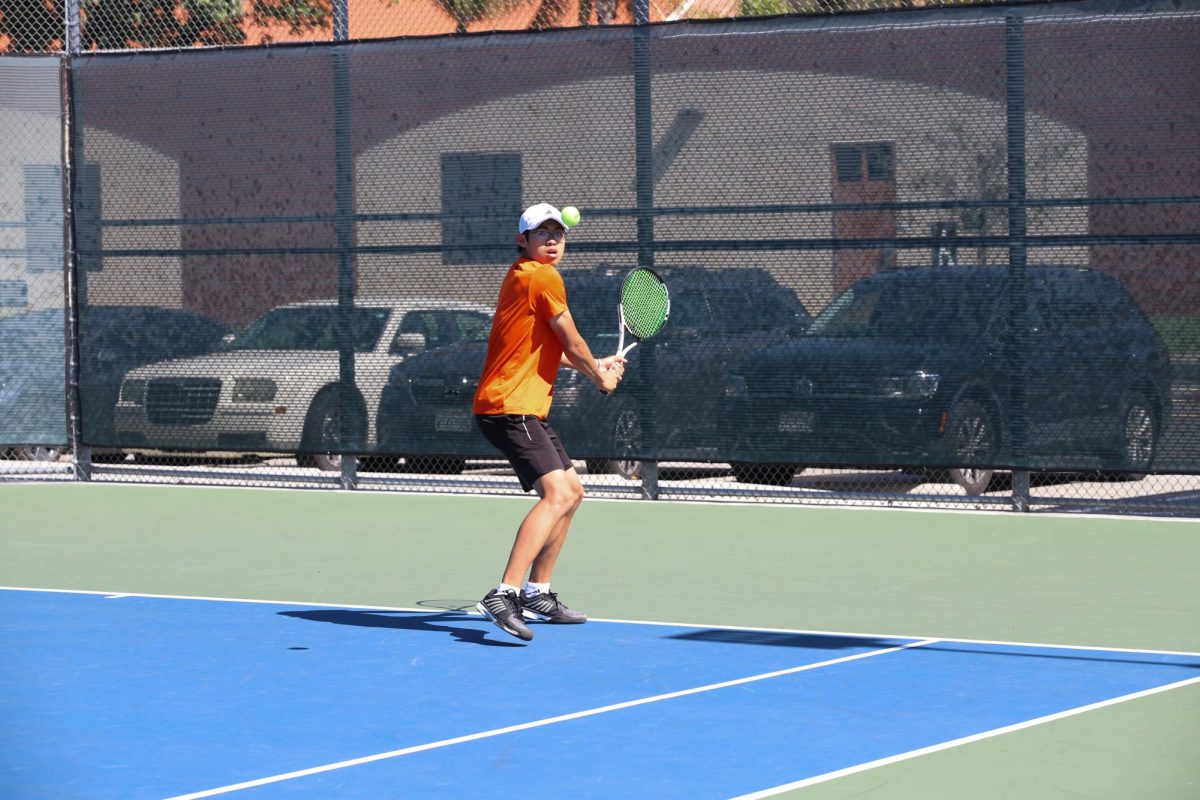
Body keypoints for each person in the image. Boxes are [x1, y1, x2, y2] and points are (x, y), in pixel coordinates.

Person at [472, 202, 626, 641]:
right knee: (557, 494)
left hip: (519, 407)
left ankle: (538, 593)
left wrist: (595, 364)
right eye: (542, 233)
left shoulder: (523, 276)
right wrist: (599, 375)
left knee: (573, 492)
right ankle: (503, 593)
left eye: (557, 233)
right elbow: (571, 339)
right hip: (509, 407)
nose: (552, 240)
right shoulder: (541, 276)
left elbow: (551, 351)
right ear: (522, 240)